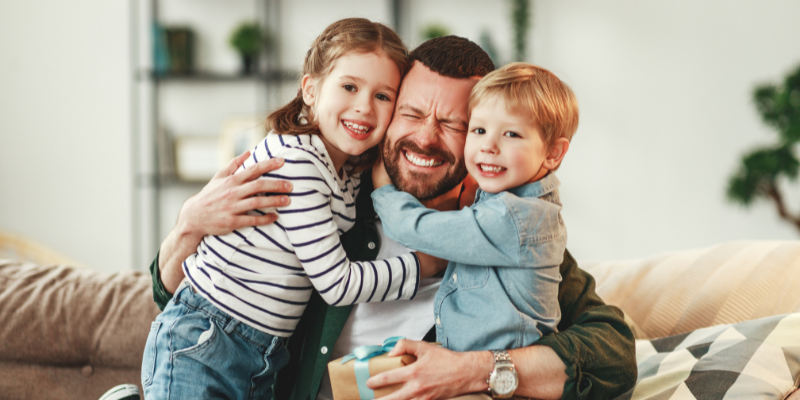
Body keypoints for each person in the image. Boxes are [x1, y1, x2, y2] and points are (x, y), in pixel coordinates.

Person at [150, 36, 637, 400]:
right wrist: (189, 225)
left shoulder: (505, 232)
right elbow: (175, 298)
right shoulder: (331, 201)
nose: (426, 138)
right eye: (411, 112)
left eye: (453, 124)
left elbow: (613, 355)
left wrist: (474, 369)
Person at [142, 18, 443, 400]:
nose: (364, 107)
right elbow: (337, 284)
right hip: (209, 337)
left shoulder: (343, 170)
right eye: (349, 86)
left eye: (383, 96)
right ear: (311, 89)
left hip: (261, 352)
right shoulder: (298, 164)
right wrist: (421, 266)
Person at [370, 62, 577, 368]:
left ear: (553, 154)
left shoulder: (516, 218)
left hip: (498, 381)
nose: (488, 146)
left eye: (512, 134)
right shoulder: (511, 205)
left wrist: (384, 189)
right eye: (478, 130)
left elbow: (417, 228)